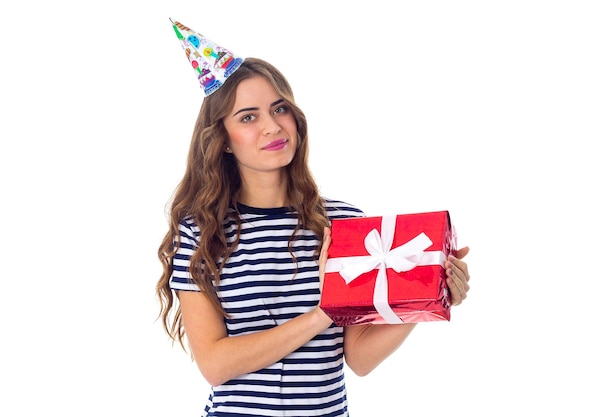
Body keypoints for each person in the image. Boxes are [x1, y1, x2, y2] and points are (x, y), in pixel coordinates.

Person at [157, 21, 470, 417]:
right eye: (248, 117)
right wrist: (325, 310)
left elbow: (358, 359)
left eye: (279, 108)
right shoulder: (201, 233)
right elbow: (216, 365)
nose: (272, 126)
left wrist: (426, 296)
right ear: (222, 140)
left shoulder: (343, 224)